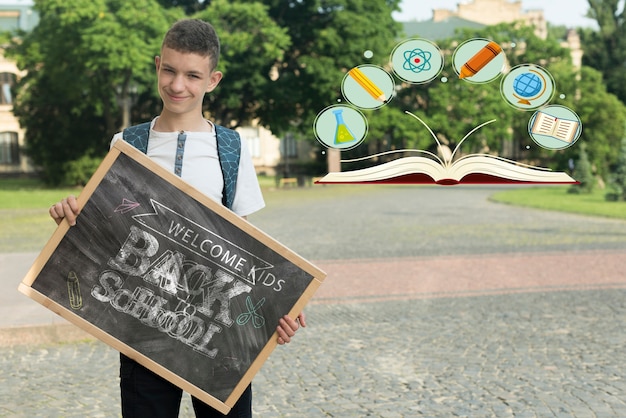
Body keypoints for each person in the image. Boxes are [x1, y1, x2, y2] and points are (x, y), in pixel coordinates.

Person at [49, 18, 305, 418]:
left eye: (192, 75)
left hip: (218, 331)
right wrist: (70, 217)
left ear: (213, 79)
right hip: (142, 324)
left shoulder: (231, 147)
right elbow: (104, 233)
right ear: (157, 65)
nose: (177, 85)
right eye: (168, 70)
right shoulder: (127, 143)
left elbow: (249, 245)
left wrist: (281, 301)